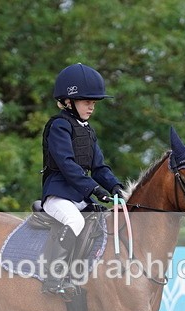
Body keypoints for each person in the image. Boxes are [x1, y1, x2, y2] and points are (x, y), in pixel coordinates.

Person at [39, 63, 124, 297]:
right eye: (87, 101)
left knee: (102, 222)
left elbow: (99, 167)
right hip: (57, 194)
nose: (92, 107)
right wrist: (94, 189)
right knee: (75, 221)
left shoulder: (87, 130)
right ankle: (53, 279)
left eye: (94, 102)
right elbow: (67, 165)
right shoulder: (59, 126)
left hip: (78, 196)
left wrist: (116, 187)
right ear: (69, 101)